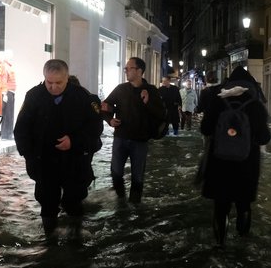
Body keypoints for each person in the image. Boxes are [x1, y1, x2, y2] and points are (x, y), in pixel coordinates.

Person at [13, 61, 104, 238]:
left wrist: (74, 141)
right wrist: (29, 155)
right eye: (49, 82)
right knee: (47, 202)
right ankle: (49, 239)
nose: (53, 87)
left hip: (74, 161)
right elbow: (21, 129)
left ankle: (75, 236)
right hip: (44, 160)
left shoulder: (83, 97)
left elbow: (95, 129)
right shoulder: (34, 96)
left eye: (58, 83)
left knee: (74, 200)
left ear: (67, 78)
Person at [200, 66, 271, 246]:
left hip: (219, 164)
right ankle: (242, 245)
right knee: (243, 205)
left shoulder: (218, 102)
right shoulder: (255, 106)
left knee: (220, 207)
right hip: (246, 166)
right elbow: (264, 138)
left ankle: (219, 244)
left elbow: (205, 129)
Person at [101, 56, 165, 204]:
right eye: (125, 68)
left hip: (140, 141)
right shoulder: (121, 89)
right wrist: (109, 119)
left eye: (129, 68)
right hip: (120, 138)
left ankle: (135, 210)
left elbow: (161, 114)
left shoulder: (151, 90)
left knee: (137, 177)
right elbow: (105, 106)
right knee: (116, 173)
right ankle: (121, 201)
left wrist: (148, 102)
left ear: (139, 71)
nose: (126, 71)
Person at [0, 50, 17, 139]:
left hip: (10, 91)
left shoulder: (8, 66)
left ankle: (8, 133)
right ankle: (6, 134)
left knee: (9, 113)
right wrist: (5, 93)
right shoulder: (4, 67)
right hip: (7, 91)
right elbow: (4, 80)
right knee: (7, 114)